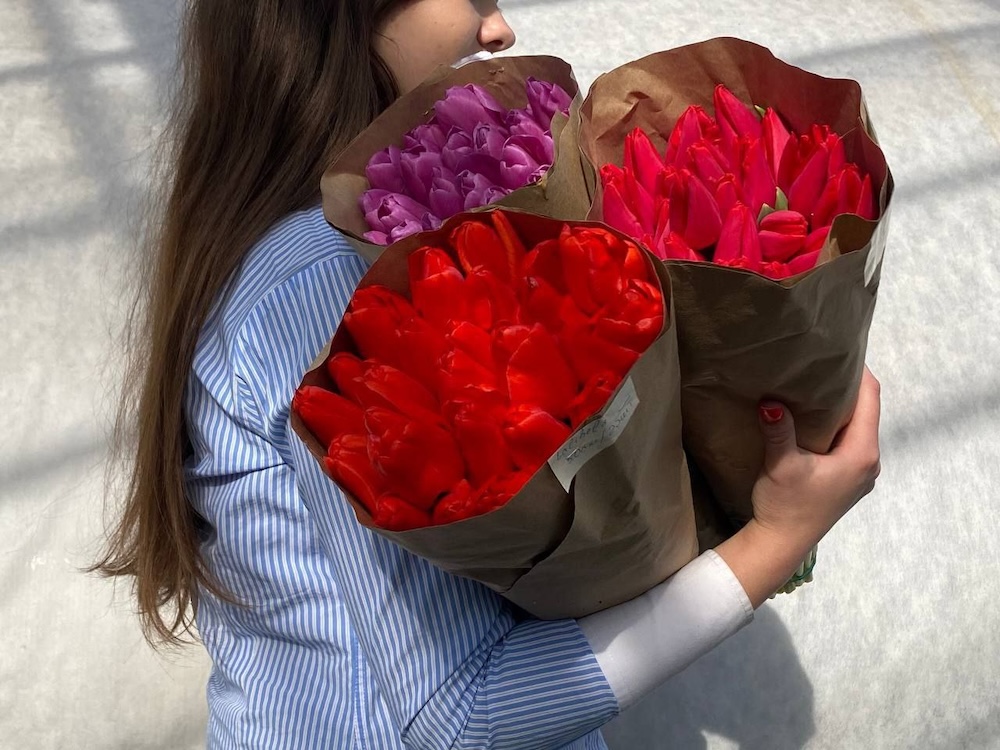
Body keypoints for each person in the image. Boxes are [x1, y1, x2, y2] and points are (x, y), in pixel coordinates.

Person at [95, 1, 882, 748]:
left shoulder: (309, 254)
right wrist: (775, 540)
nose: (499, 28)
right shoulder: (332, 281)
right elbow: (461, 716)